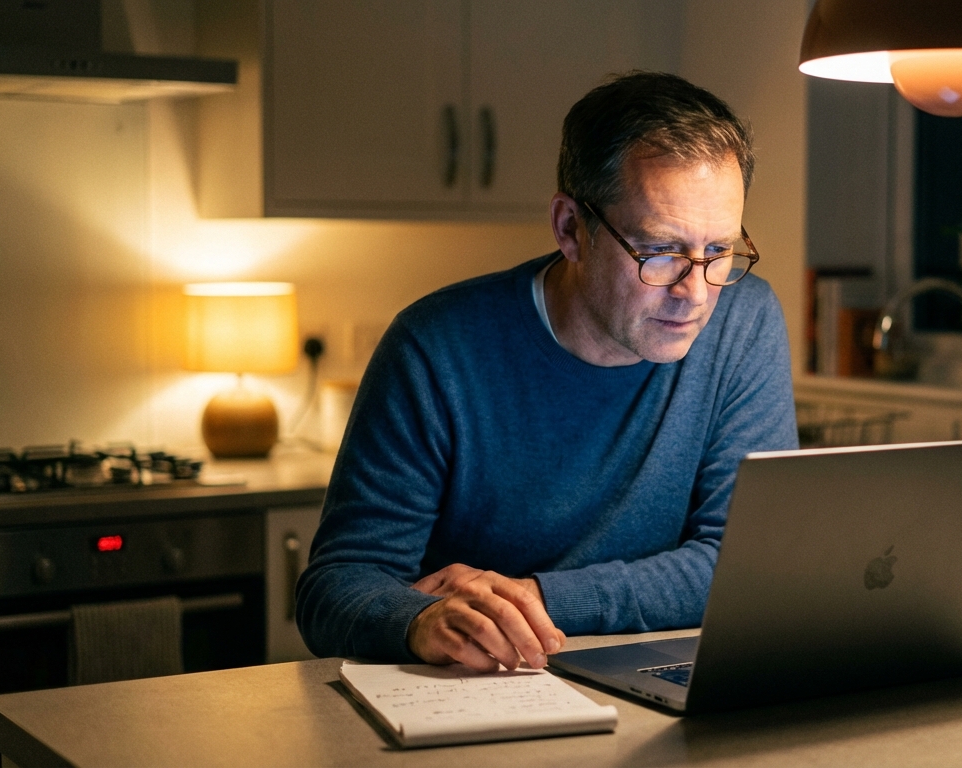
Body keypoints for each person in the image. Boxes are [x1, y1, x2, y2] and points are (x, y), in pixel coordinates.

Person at [296, 71, 797, 672]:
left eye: (719, 251)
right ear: (570, 229)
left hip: (653, 679)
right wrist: (421, 619)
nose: (695, 292)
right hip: (482, 685)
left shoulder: (744, 320)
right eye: (661, 251)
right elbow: (336, 586)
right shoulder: (434, 348)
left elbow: (749, 566)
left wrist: (534, 597)